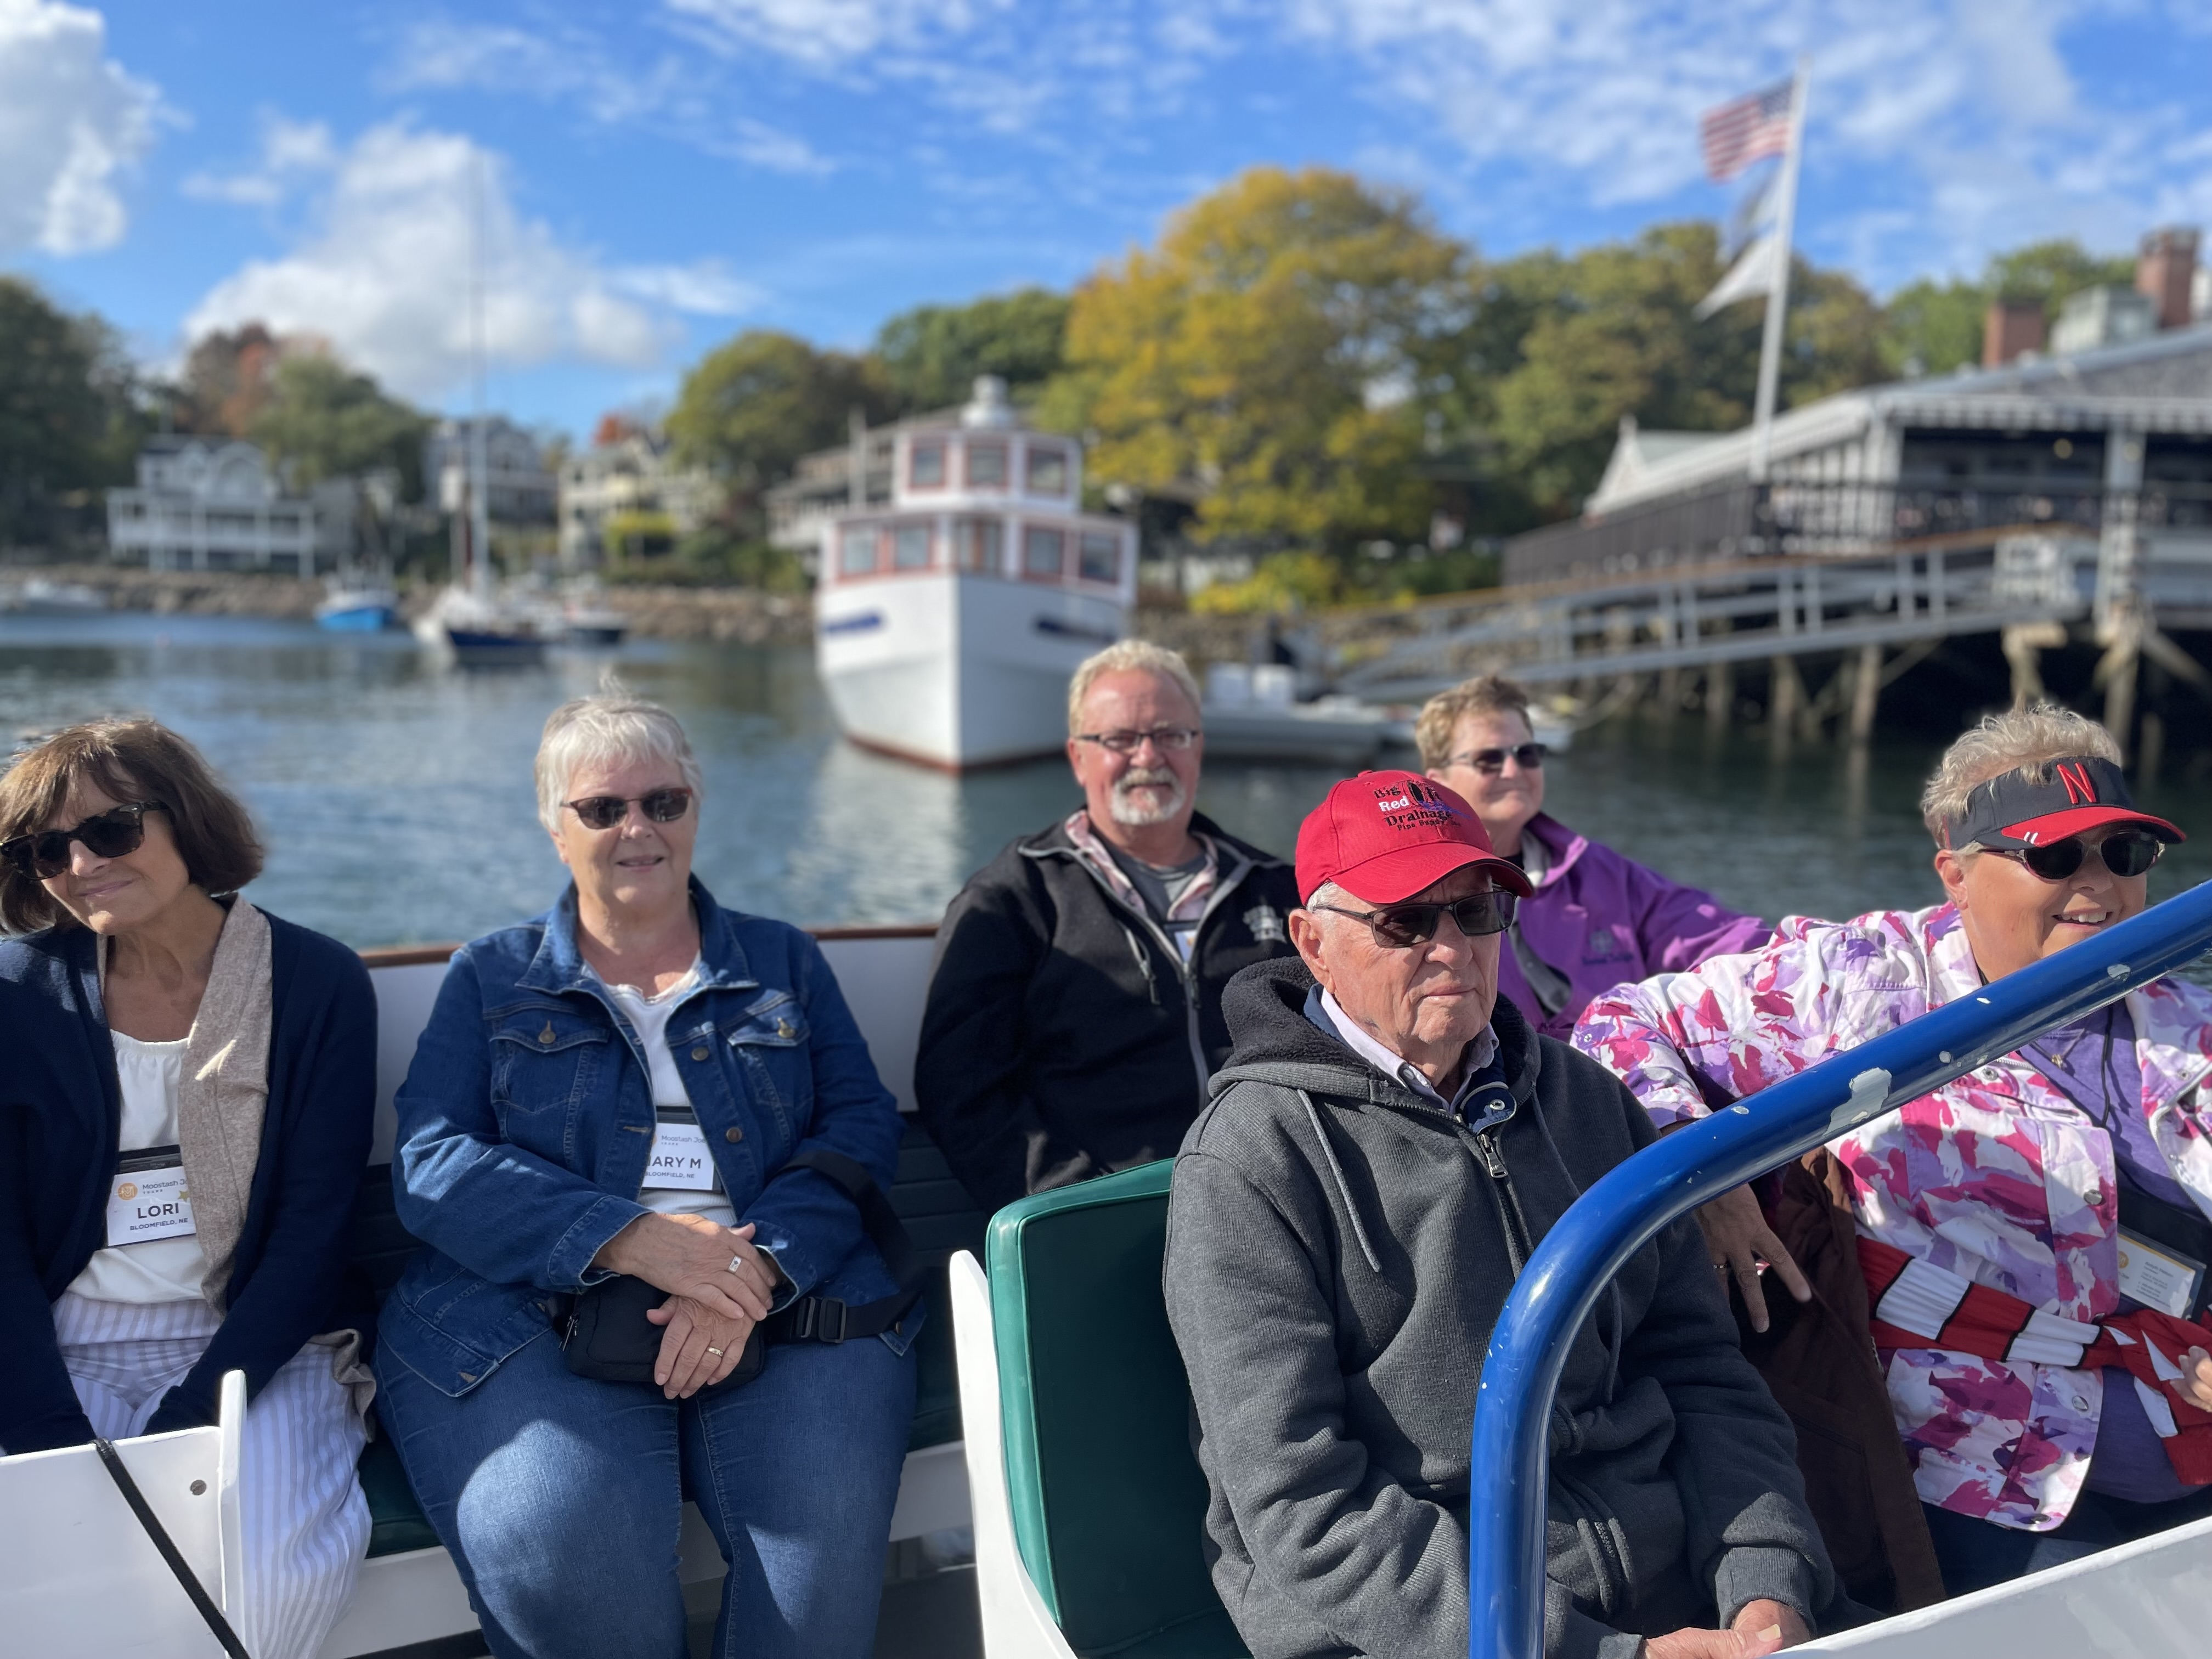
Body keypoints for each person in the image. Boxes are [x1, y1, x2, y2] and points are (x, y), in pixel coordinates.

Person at [1165, 769, 1843, 1659]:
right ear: (1312, 942)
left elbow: (1701, 1370)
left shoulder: (1590, 1101)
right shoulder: (1249, 1159)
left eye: (1475, 910)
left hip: (1674, 1586)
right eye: (1406, 920)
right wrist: (1593, 1651)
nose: (1452, 947)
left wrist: (1764, 1584)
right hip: (1415, 1632)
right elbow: (1300, 1504)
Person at [1576, 706, 2212, 1597]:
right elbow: (1623, 1022)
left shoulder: (2186, 1012)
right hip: (1986, 1463)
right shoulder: (1861, 981)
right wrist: (1700, 1175)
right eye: (2056, 856)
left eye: (2125, 852)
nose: (2099, 883)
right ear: (1955, 873)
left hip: (2185, 1426)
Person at [374, 689, 915, 1659]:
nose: (638, 828)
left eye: (663, 802)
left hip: (782, 1291)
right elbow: (433, 1160)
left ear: (695, 809)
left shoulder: (783, 961)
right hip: (538, 1309)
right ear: (556, 827)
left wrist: (753, 1268)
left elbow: (860, 1123)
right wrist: (629, 1238)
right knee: (563, 1547)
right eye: (603, 808)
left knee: (818, 1589)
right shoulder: (491, 975)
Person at [0, 718, 377, 1659]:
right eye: (46, 848)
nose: (81, 863)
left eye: (112, 829)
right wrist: (48, 1435)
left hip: (256, 1346)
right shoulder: (14, 996)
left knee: (256, 1585)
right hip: (59, 1345)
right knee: (42, 1578)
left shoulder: (315, 982)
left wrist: (194, 1412)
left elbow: (311, 1234)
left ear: (185, 817)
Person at [917, 640, 1301, 1212]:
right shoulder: (1014, 900)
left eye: (1171, 735)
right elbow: (962, 1088)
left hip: (1279, 1201)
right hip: (1105, 1213)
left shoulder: (1279, 890)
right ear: (1078, 757)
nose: (1149, 756)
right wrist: (1076, 1206)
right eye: (1121, 739)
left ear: (1198, 747)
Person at [1418, 674, 1768, 1040]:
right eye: (1489, 759)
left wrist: (1794, 954)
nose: (1514, 770)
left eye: (1527, 754)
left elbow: (1715, 934)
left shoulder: (1602, 874)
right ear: (1438, 782)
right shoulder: (1417, 896)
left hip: (1621, 1070)